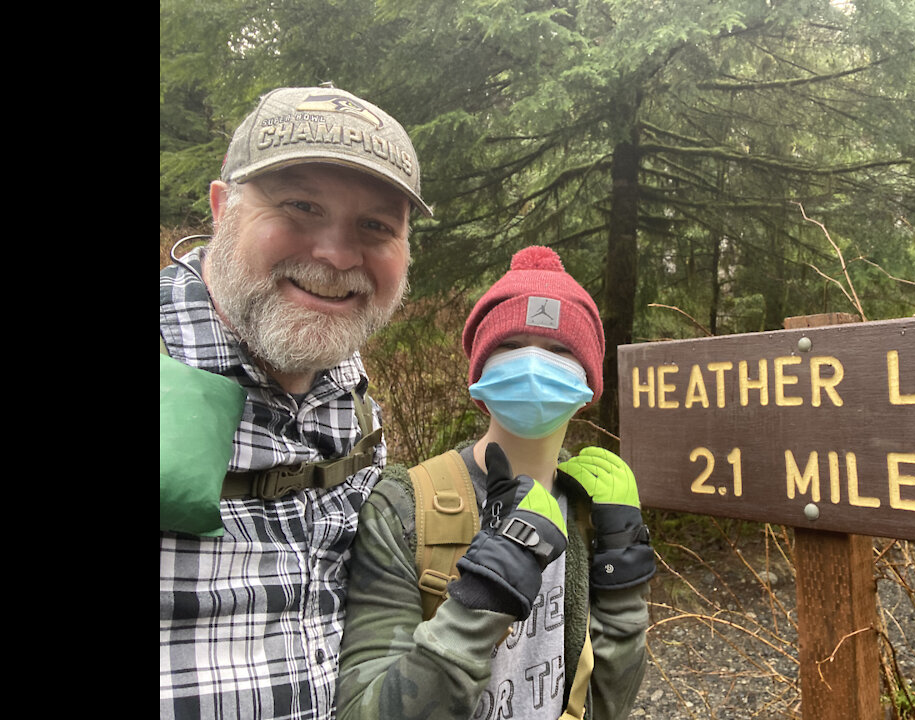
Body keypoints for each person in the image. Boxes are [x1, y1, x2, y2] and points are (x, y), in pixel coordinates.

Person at [160, 85, 431, 719]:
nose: (336, 255)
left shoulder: (350, 388)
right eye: (301, 205)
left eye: (375, 226)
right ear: (223, 208)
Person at [336, 246, 653, 720]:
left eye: (560, 350)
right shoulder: (404, 506)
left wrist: (624, 590)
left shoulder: (590, 509)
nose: (532, 364)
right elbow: (363, 711)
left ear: (589, 381)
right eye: (510, 345)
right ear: (481, 369)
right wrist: (480, 601)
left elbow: (608, 705)